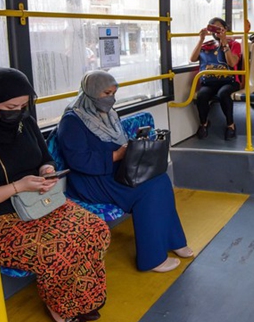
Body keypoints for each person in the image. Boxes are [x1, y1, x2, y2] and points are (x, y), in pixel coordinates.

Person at [0, 64, 110, 322]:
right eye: (10, 107)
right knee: (56, 250)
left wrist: (47, 171)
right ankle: (60, 307)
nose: (17, 113)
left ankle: (82, 298)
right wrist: (17, 186)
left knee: (95, 230)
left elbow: (45, 158)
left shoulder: (26, 123)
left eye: (22, 106)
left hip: (39, 202)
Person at [57, 71, 192, 273]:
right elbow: (78, 161)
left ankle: (174, 240)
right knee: (149, 189)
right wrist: (116, 156)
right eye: (106, 93)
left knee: (160, 179)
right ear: (92, 92)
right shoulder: (72, 121)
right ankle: (152, 259)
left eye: (113, 93)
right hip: (91, 181)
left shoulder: (107, 114)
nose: (111, 98)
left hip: (113, 171)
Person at [189, 17, 242, 140]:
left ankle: (231, 125)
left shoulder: (234, 45)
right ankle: (204, 124)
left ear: (225, 29)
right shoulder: (206, 46)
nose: (216, 32)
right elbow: (193, 58)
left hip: (230, 80)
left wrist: (224, 42)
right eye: (213, 29)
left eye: (219, 28)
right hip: (210, 81)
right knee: (202, 95)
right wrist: (201, 39)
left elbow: (232, 63)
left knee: (223, 93)